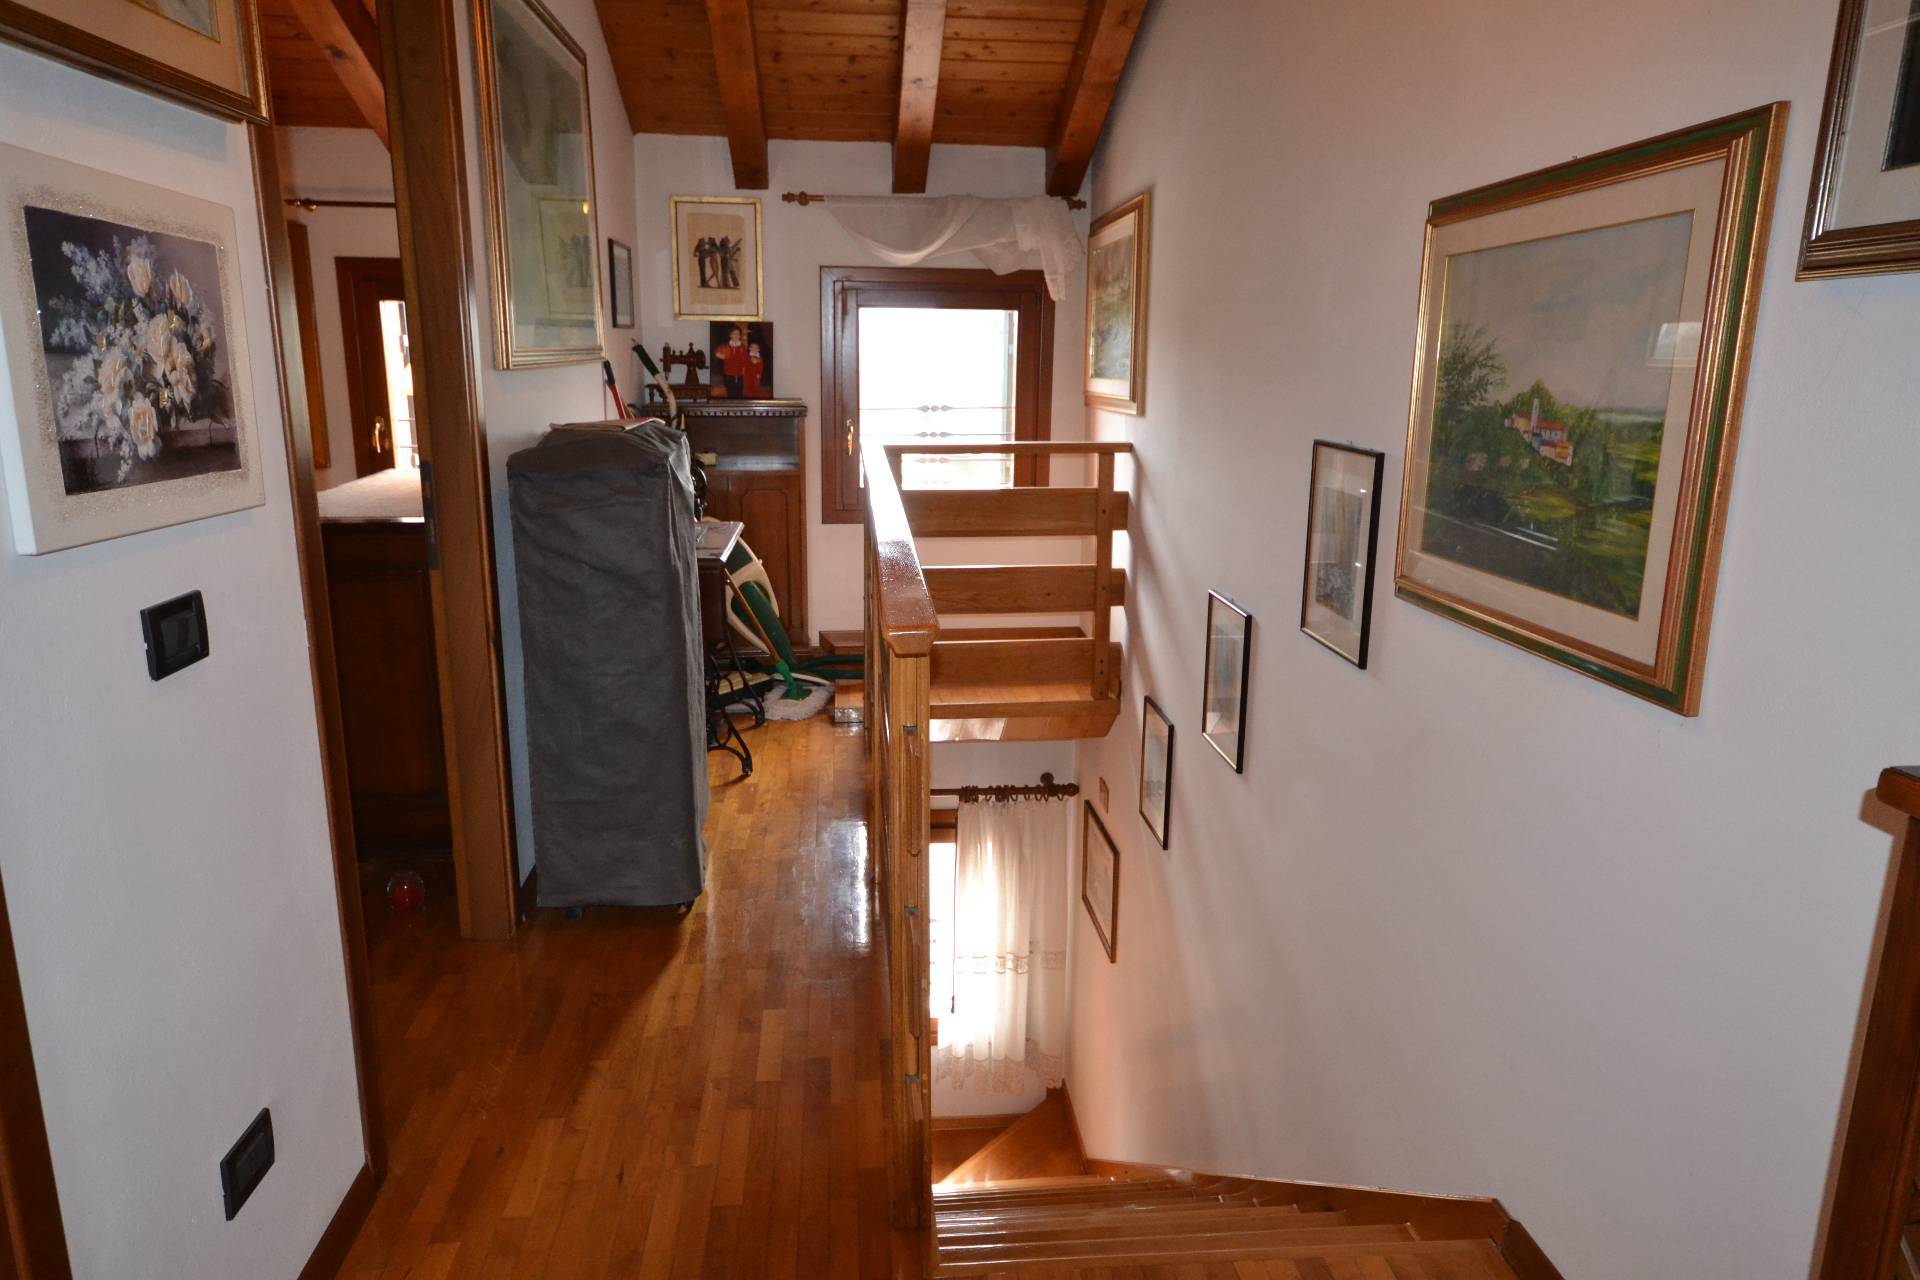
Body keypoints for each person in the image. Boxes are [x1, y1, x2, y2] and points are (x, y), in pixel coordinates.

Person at [715, 325, 750, 398]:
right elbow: (717, 353)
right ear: (730, 335)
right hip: (728, 374)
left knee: (739, 393)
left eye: (738, 334)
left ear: (740, 336)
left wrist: (744, 369)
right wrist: (722, 356)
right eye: (734, 333)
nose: (736, 335)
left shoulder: (742, 347)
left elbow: (745, 360)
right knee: (730, 393)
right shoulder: (726, 346)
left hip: (739, 374)